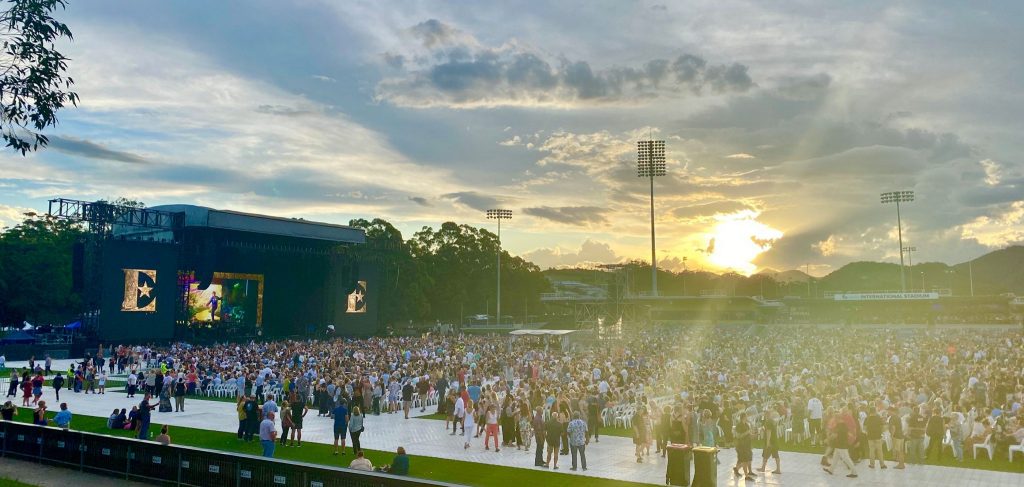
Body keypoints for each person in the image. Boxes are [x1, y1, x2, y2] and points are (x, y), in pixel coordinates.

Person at [733, 412, 756, 481]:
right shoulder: (739, 425)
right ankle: (746, 476)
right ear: (743, 417)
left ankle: (737, 469)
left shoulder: (746, 424)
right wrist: (747, 432)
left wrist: (754, 435)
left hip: (747, 445)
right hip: (741, 446)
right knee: (744, 461)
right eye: (746, 417)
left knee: (747, 459)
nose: (747, 418)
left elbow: (749, 434)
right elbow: (738, 436)